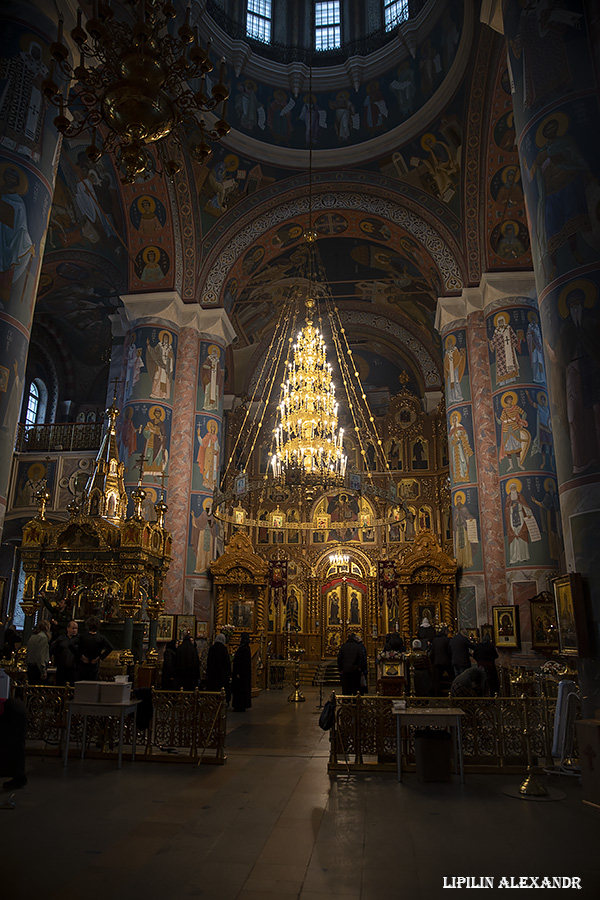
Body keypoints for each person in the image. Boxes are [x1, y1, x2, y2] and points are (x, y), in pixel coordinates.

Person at [70, 616, 113, 681]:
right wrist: (100, 657)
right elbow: (110, 647)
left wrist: (80, 656)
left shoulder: (82, 636)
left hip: (82, 664)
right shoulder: (101, 638)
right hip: (94, 664)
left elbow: (71, 644)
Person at [0, 696, 28, 790]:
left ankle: (19, 778)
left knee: (13, 745)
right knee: (15, 745)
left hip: (13, 712)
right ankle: (18, 777)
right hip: (16, 708)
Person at [51, 620, 79, 686]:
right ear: (68, 628)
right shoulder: (61, 639)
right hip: (62, 669)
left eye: (76, 628)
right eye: (73, 628)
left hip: (74, 670)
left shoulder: (79, 640)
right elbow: (53, 649)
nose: (74, 630)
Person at [206, 634, 231, 704]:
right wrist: (228, 673)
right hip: (222, 675)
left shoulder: (212, 649)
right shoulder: (224, 649)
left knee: (213, 689)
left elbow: (208, 662)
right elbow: (227, 662)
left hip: (212, 674)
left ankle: (212, 702)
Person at [428, 627, 454, 696]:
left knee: (437, 679)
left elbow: (432, 652)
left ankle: (436, 694)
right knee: (452, 677)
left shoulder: (435, 640)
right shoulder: (447, 640)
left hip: (437, 662)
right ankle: (453, 692)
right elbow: (449, 651)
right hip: (446, 661)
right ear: (445, 632)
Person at [231, 633, 252, 712]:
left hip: (241, 674)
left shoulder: (244, 649)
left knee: (240, 690)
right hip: (243, 674)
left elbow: (242, 663)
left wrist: (239, 672)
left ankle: (240, 705)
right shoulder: (245, 648)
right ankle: (240, 705)